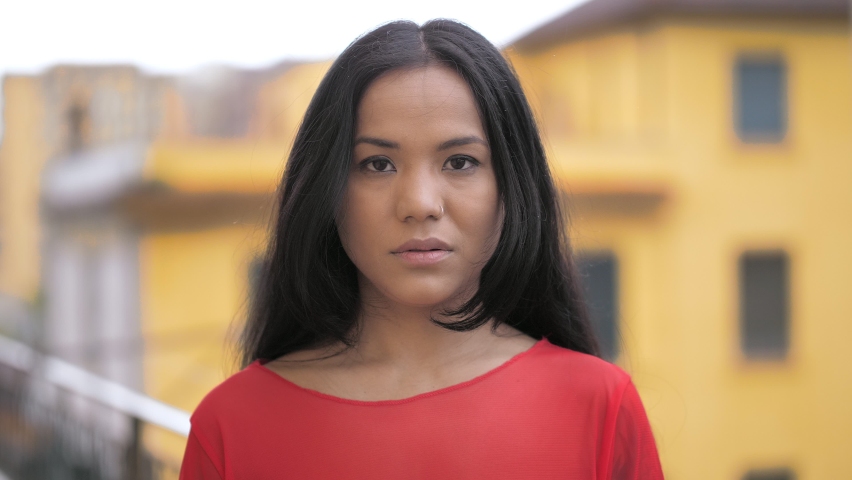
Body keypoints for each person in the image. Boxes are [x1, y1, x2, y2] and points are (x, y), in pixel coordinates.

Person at [179, 19, 664, 480]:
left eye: (460, 161)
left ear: (512, 185)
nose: (419, 204)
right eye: (377, 165)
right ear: (327, 189)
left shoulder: (599, 405)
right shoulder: (232, 424)